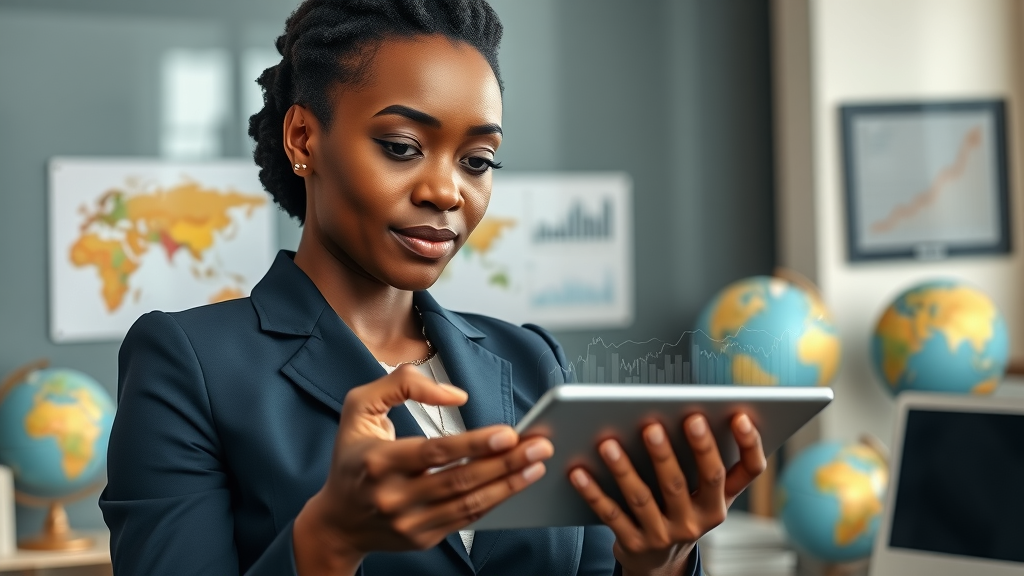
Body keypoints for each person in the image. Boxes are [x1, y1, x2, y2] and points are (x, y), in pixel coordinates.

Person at [99, 1, 767, 574]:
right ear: (304, 137)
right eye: (400, 145)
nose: (446, 190)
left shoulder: (532, 360)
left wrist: (657, 561)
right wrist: (327, 541)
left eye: (477, 160)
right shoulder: (188, 364)